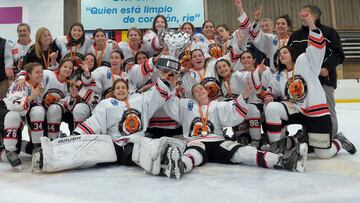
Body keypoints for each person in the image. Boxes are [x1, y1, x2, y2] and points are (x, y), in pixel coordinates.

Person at [31, 75, 186, 180]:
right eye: (117, 88)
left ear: (128, 90)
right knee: (85, 150)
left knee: (141, 147)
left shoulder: (139, 100)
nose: (120, 90)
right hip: (114, 145)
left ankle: (166, 159)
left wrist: (167, 78)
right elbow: (95, 122)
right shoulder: (107, 104)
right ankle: (47, 157)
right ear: (113, 91)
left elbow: (158, 94)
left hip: (134, 142)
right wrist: (76, 134)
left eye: (123, 87)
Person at [163, 83, 307, 178]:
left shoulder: (217, 105)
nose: (199, 91)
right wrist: (173, 87)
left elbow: (234, 112)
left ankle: (283, 161)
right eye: (195, 91)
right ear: (192, 96)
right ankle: (180, 165)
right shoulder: (186, 105)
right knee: (193, 154)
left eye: (201, 88)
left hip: (217, 141)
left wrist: (244, 95)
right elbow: (170, 103)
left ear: (207, 91)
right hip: (196, 141)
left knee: (243, 152)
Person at [264, 12, 356, 159]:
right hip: (296, 109)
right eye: (280, 54)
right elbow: (271, 90)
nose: (281, 55)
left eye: (285, 52)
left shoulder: (305, 62)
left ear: (293, 54)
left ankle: (338, 140)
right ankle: (277, 147)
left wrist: (311, 25)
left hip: (315, 111)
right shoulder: (279, 75)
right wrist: (269, 96)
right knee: (272, 107)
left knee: (323, 154)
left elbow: (317, 49)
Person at [287, 5, 354, 152]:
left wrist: (326, 67)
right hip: (302, 84)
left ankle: (333, 138)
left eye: (307, 14)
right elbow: (289, 56)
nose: (303, 16)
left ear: (315, 16)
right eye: (302, 14)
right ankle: (310, 138)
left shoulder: (329, 32)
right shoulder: (295, 36)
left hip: (324, 79)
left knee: (327, 110)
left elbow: (338, 54)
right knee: (305, 109)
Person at [215, 52, 272, 148]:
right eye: (219, 68)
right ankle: (241, 137)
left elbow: (248, 76)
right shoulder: (219, 84)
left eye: (224, 66)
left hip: (250, 107)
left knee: (251, 110)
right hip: (234, 110)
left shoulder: (237, 75)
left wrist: (258, 72)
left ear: (230, 68)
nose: (222, 69)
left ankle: (256, 140)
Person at [0, 62, 43, 168]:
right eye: (37, 72)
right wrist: (32, 97)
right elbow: (13, 105)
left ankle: (37, 146)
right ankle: (9, 151)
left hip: (17, 116)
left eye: (41, 72)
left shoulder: (36, 84)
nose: (41, 74)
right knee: (13, 116)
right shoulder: (21, 84)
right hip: (5, 111)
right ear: (29, 74)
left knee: (38, 111)